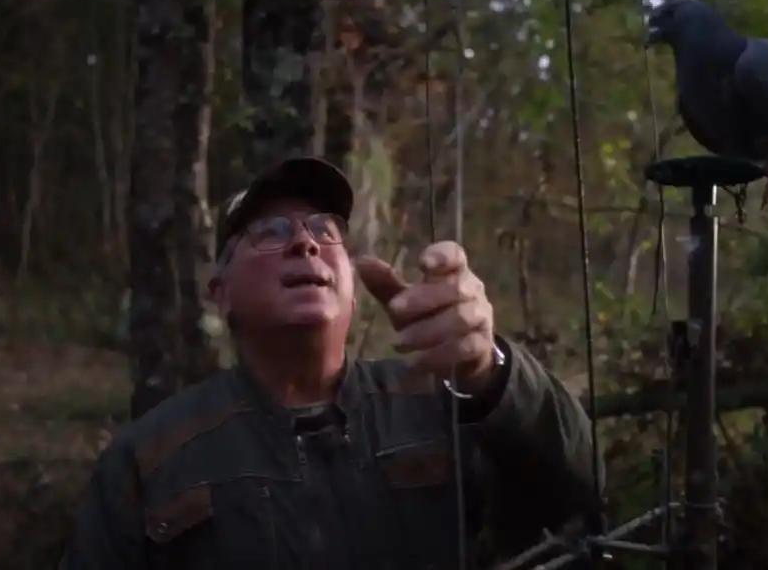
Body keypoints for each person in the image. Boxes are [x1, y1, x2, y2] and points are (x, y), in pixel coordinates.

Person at [60, 156, 604, 570]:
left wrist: (493, 373)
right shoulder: (149, 459)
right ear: (220, 294)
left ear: (351, 285)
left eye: (326, 230)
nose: (305, 242)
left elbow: (578, 494)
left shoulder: (443, 406)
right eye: (271, 233)